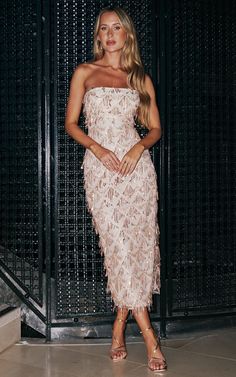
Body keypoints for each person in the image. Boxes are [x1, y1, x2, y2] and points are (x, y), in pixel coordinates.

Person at [65, 6, 167, 373]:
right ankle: (150, 337)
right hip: (102, 170)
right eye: (104, 29)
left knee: (137, 250)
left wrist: (139, 147)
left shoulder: (138, 77)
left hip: (137, 172)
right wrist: (98, 148)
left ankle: (120, 326)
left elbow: (154, 128)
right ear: (99, 35)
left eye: (116, 28)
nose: (109, 34)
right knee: (118, 248)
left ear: (127, 35)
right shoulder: (85, 72)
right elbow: (72, 124)